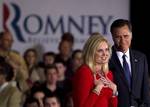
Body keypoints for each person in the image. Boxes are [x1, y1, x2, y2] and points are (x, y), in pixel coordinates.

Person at [109, 19, 150, 107]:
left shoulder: (141, 58)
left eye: (126, 36)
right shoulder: (107, 58)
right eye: (118, 37)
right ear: (112, 37)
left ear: (131, 35)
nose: (123, 40)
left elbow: (145, 89)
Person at [72, 32, 118, 107]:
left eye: (106, 50)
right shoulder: (84, 72)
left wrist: (114, 91)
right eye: (100, 50)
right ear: (91, 53)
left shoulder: (108, 74)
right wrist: (98, 88)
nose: (105, 54)